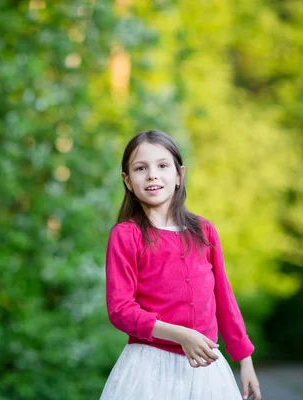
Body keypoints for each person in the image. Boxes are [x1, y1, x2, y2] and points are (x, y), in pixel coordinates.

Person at [100, 130, 262, 400]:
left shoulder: (204, 231)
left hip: (205, 371)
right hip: (148, 371)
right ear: (127, 181)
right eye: (141, 168)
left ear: (179, 175)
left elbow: (223, 298)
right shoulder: (126, 235)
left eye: (162, 166)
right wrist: (180, 335)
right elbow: (120, 310)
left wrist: (245, 362)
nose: (152, 175)